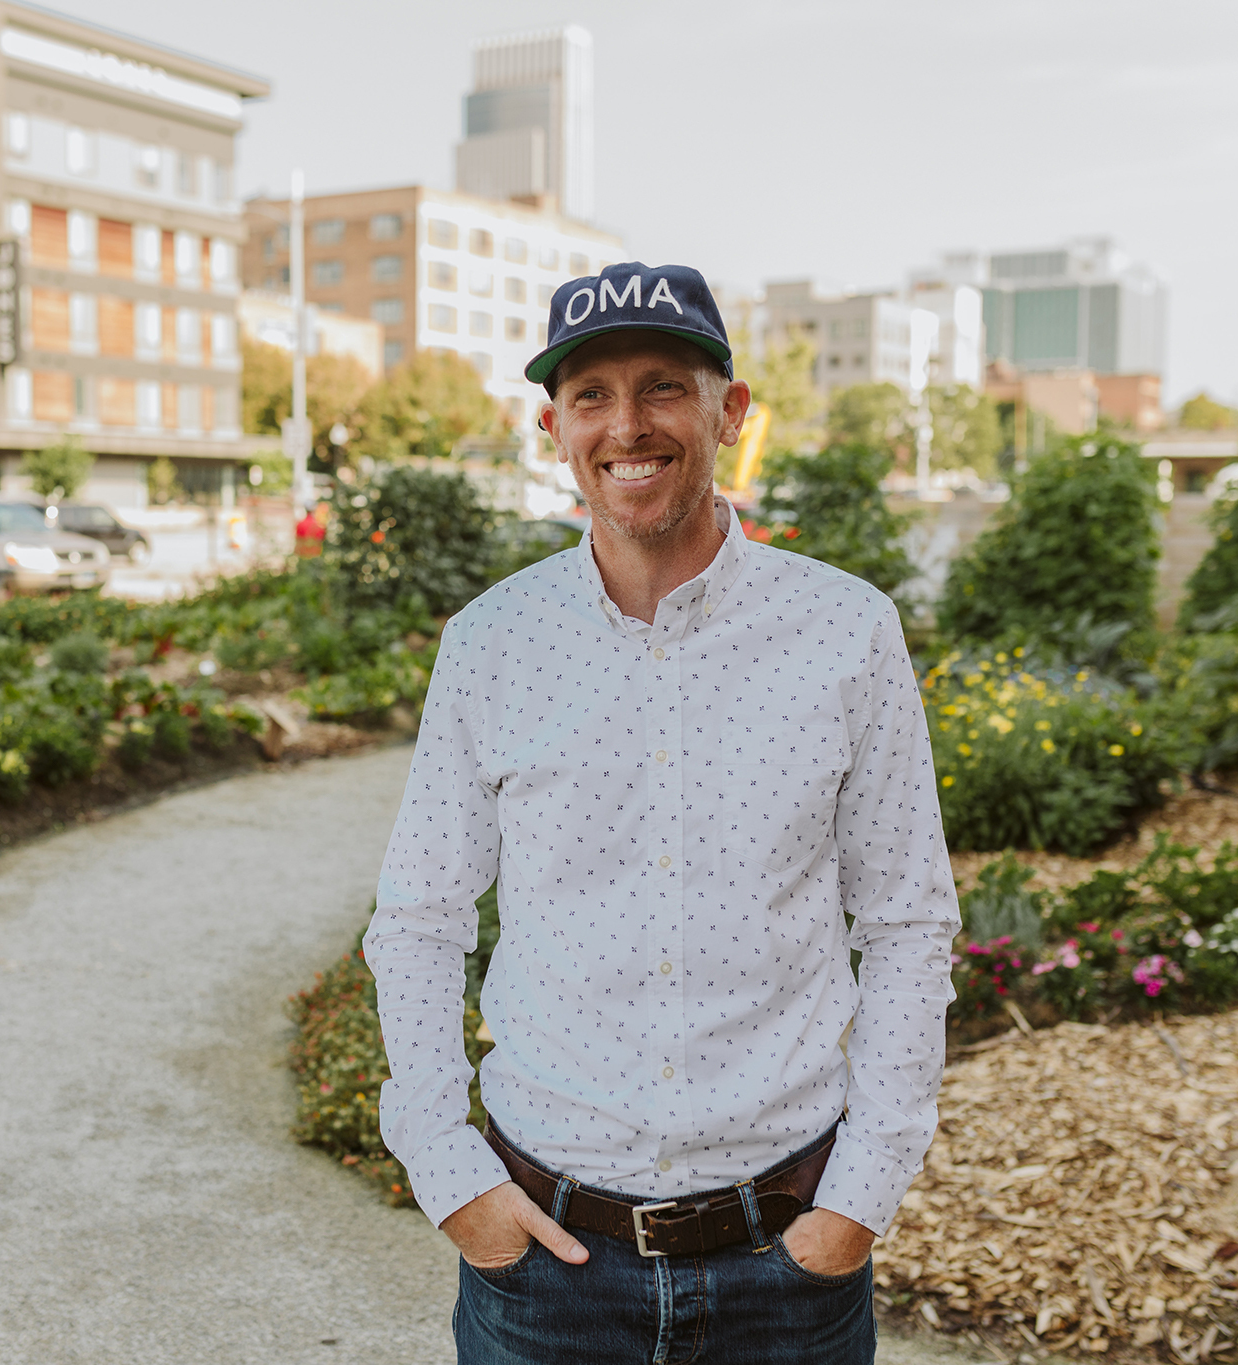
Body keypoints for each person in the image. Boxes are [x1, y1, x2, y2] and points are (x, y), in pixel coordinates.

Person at [363, 262, 959, 1364]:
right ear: (553, 426)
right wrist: (448, 1173)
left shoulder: (844, 633)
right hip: (545, 1270)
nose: (624, 425)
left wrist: (858, 1201)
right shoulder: (490, 646)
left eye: (662, 388)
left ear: (728, 412)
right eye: (590, 395)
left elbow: (908, 924)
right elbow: (418, 918)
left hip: (788, 1261)